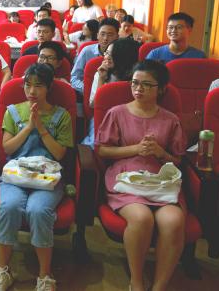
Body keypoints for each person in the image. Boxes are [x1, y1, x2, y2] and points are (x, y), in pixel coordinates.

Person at [96, 60, 187, 291]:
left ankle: (159, 286)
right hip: (127, 179)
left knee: (174, 220)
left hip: (159, 181)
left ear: (161, 89)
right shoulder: (117, 113)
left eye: (146, 85)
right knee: (141, 218)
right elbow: (102, 150)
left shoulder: (170, 120)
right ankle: (136, 282)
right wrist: (136, 149)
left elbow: (177, 160)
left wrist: (160, 152)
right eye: (135, 83)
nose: (138, 89)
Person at [0, 63, 73, 291]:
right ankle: (2, 270)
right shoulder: (14, 111)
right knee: (9, 207)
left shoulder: (61, 115)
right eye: (28, 85)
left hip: (48, 178)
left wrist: (41, 128)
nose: (32, 91)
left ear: (49, 87)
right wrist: (28, 127)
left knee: (38, 210)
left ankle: (45, 275)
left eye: (38, 85)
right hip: (16, 174)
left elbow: (59, 154)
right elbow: (7, 148)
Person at [70, 18, 120, 94]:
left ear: (117, 36)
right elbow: (74, 78)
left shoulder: (121, 54)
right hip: (87, 93)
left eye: (110, 35)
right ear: (97, 35)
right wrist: (89, 90)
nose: (105, 38)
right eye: (102, 34)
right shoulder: (87, 51)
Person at [89, 38, 140, 107]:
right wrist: (101, 79)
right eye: (107, 53)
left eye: (113, 54)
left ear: (126, 57)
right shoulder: (101, 73)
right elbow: (93, 105)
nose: (107, 57)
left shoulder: (138, 76)